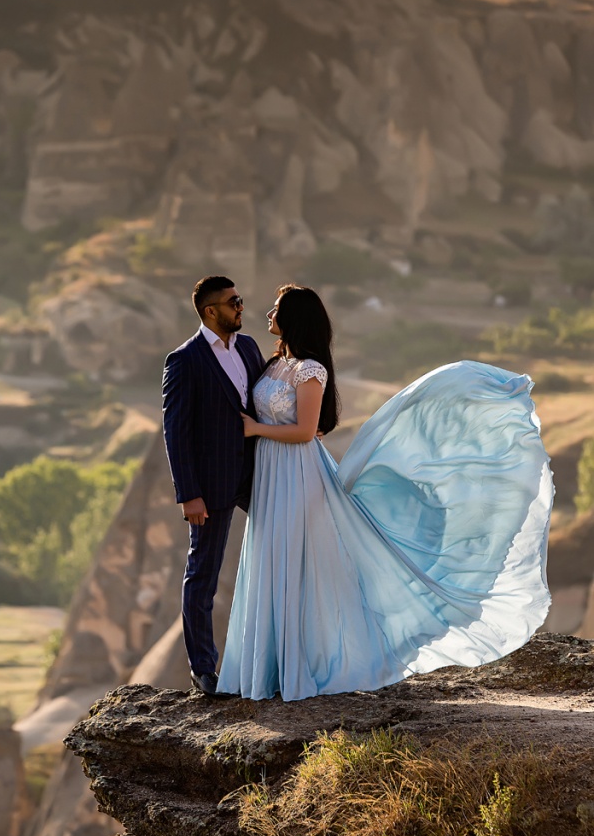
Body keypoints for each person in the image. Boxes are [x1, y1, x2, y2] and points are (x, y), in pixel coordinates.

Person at [217, 284, 553, 700]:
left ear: (295, 318)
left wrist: (255, 429)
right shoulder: (273, 364)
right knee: (271, 557)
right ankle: (268, 667)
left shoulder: (310, 370)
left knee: (296, 561)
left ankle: (304, 663)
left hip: (298, 473)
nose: (269, 313)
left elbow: (305, 431)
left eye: (277, 308)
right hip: (271, 473)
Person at [162, 275, 265, 696]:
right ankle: (203, 668)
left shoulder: (249, 347)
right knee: (203, 574)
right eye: (233, 302)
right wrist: (189, 493)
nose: (241, 307)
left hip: (258, 473)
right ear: (210, 311)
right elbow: (175, 432)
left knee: (288, 550)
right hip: (211, 483)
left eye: (240, 299)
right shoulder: (184, 360)